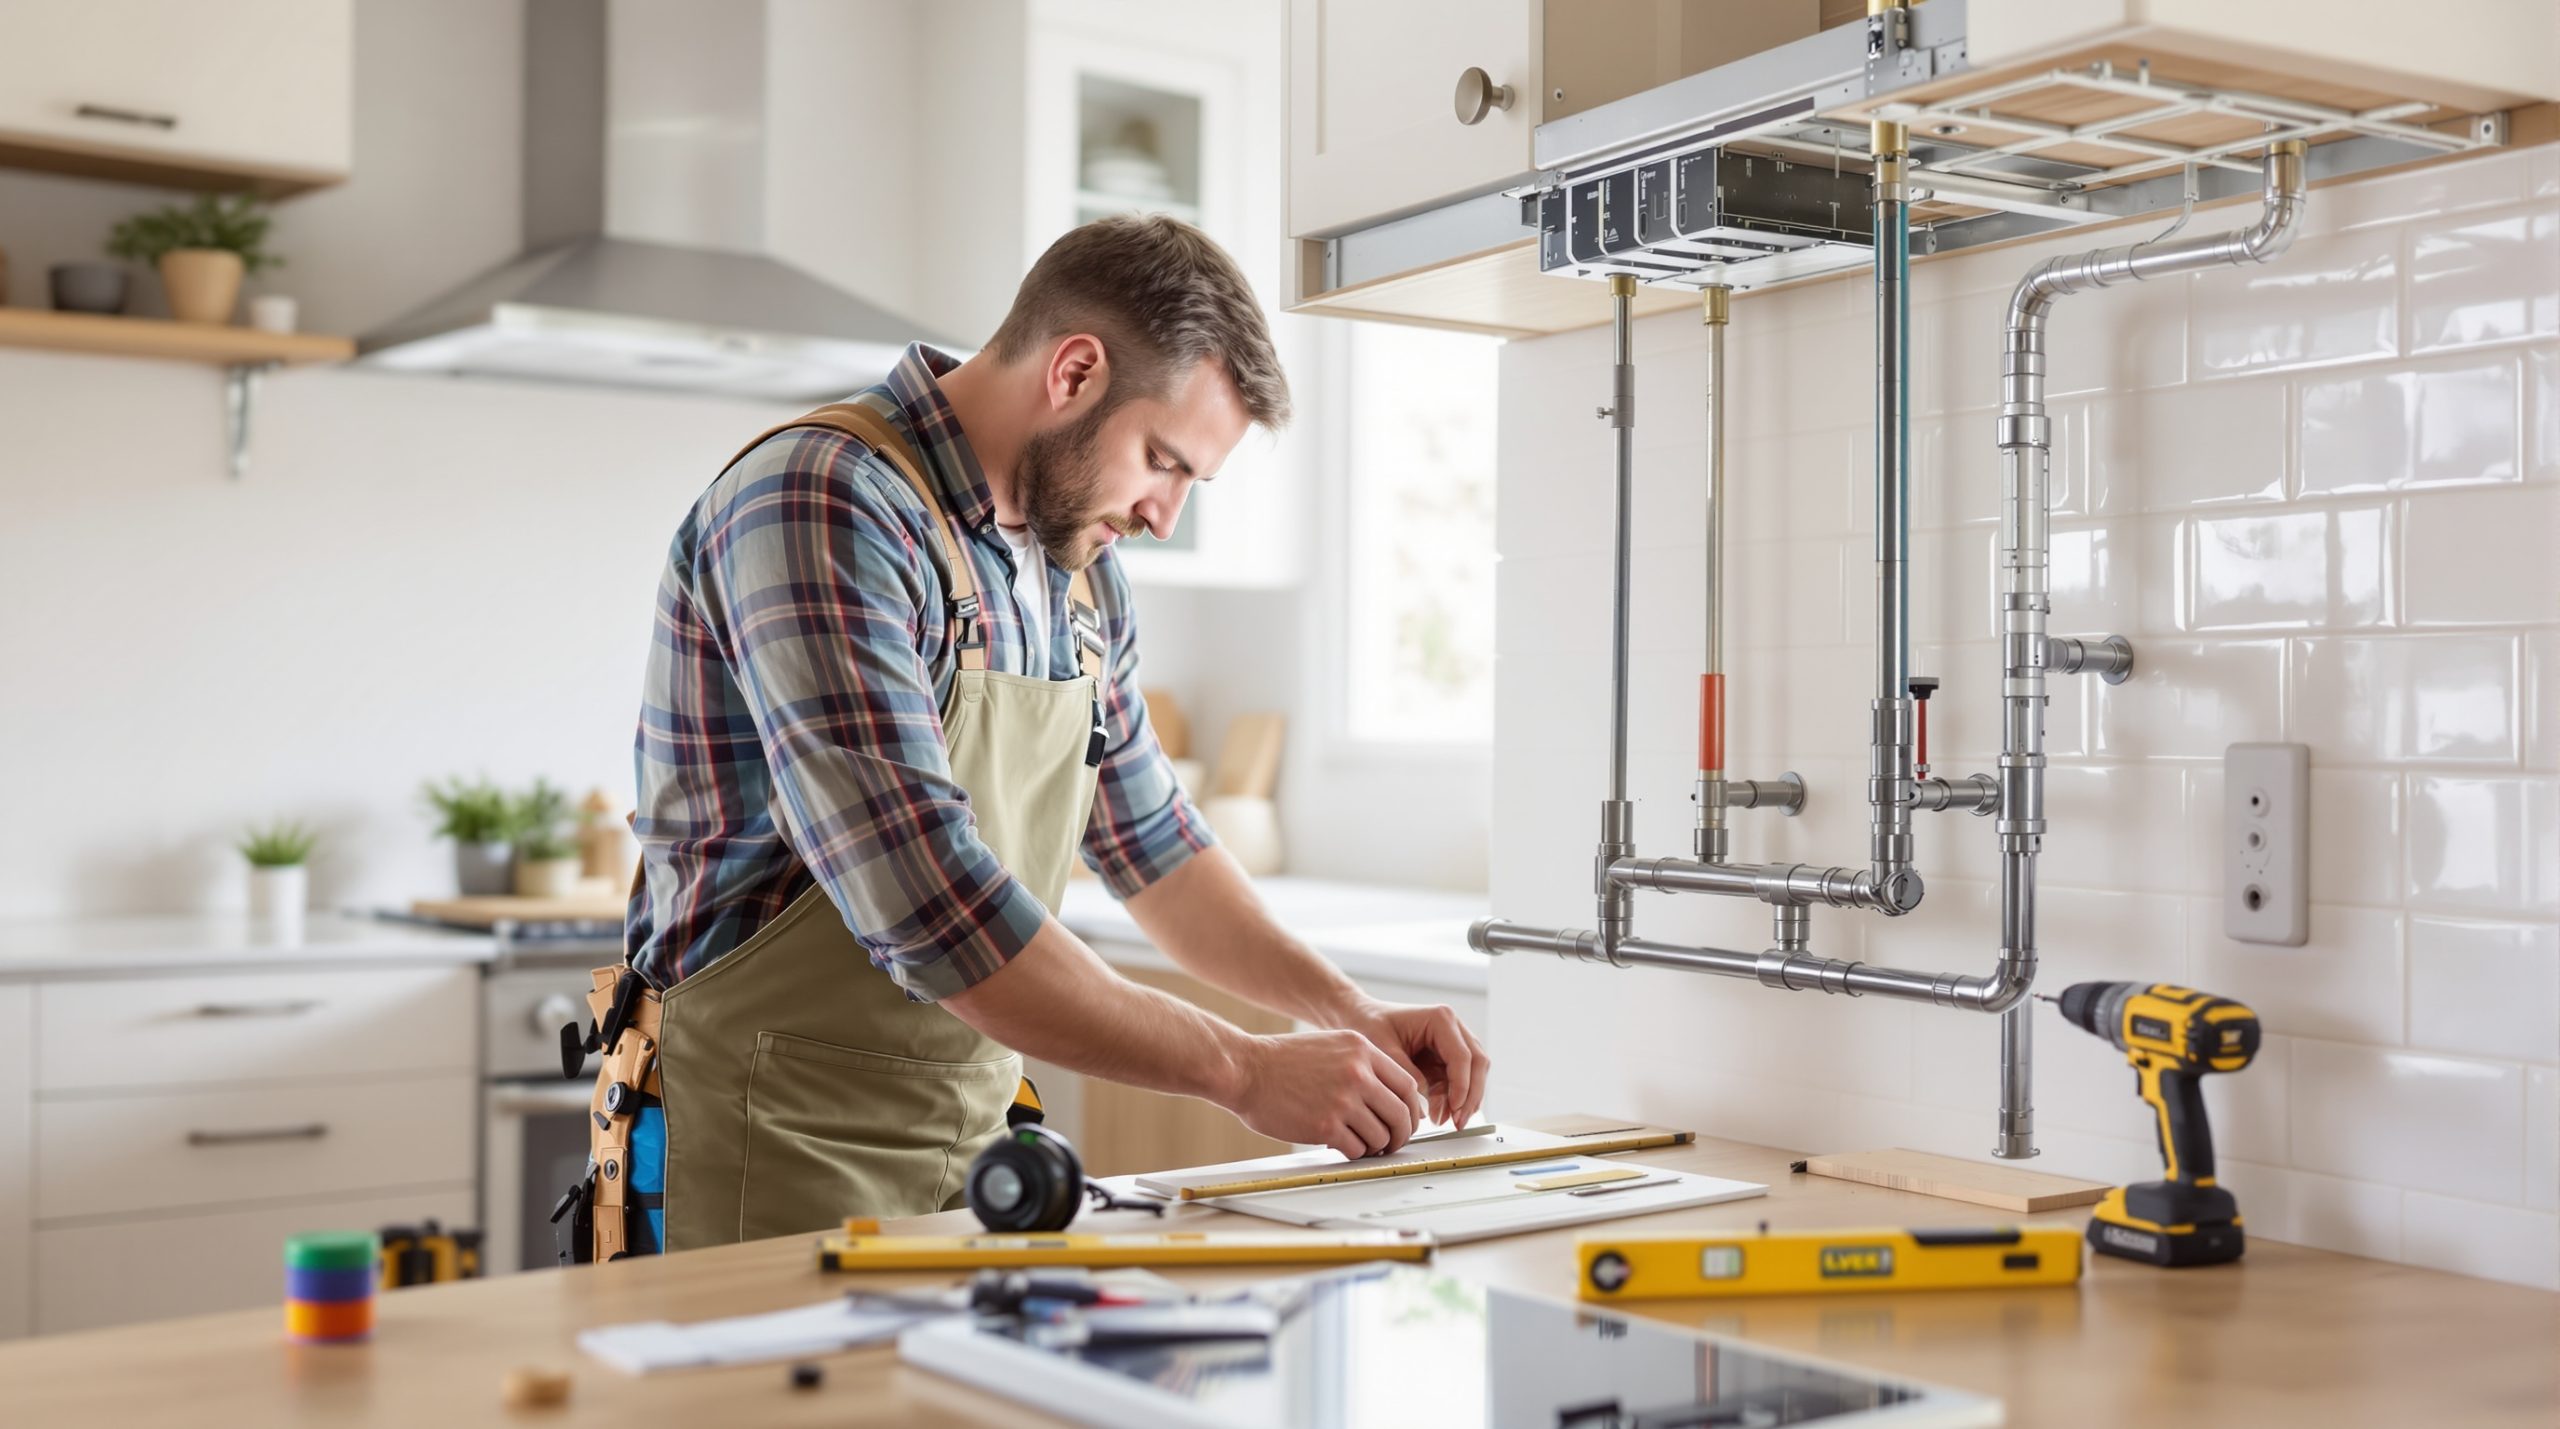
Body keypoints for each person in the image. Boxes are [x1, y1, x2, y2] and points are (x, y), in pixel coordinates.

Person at [566, 215, 1490, 1259]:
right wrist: (1242, 1067)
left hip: (968, 1159)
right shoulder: (825, 502)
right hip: (755, 1153)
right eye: (1161, 462)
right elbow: (929, 907)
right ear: (1076, 371)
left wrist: (1347, 1009)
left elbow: (1157, 848)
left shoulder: (1076, 579)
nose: (1163, 515)